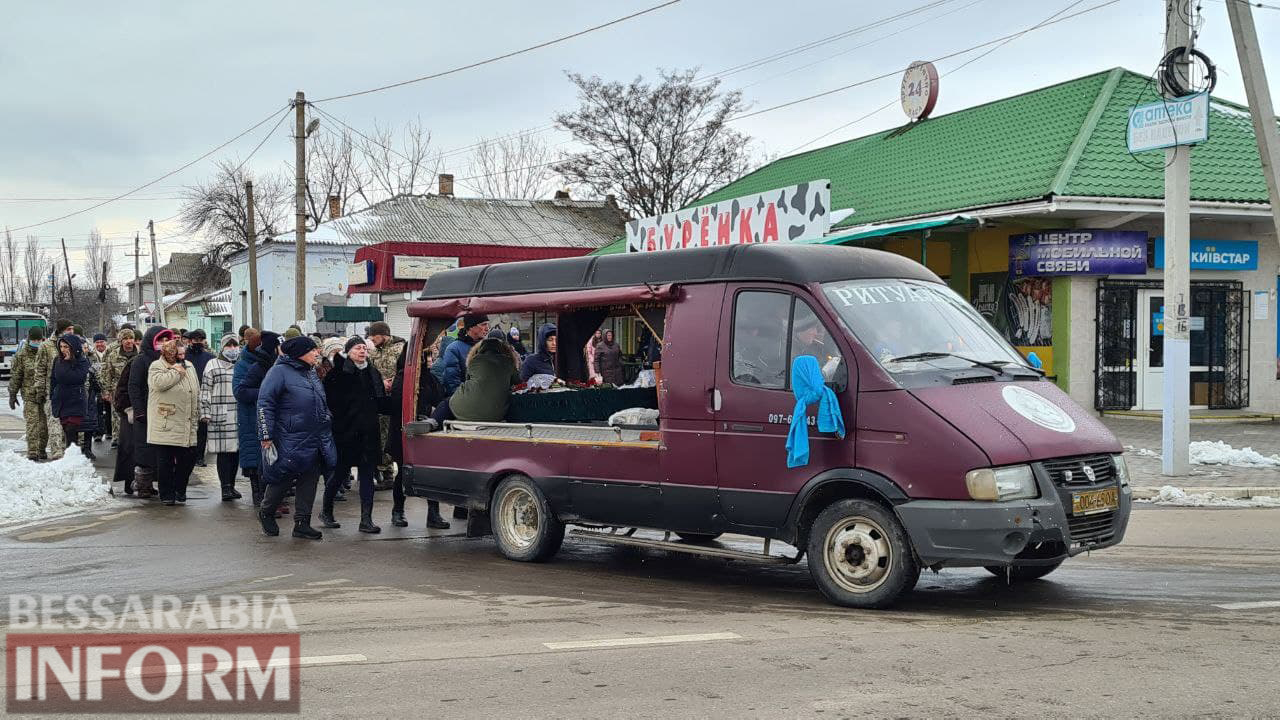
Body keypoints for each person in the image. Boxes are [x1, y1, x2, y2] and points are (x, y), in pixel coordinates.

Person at [255, 336, 334, 540]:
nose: (317, 353)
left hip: (314, 436)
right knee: (284, 476)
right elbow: (265, 404)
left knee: (310, 478)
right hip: (288, 437)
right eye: (312, 350)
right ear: (300, 353)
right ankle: (267, 511)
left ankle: (302, 523)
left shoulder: (310, 373)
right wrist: (266, 435)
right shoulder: (278, 372)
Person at [320, 338, 385, 533]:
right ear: (348, 351)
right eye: (358, 348)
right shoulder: (337, 373)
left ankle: (366, 519)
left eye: (365, 348)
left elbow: (380, 400)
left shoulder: (372, 372)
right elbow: (330, 402)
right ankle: (326, 511)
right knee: (339, 474)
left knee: (367, 475)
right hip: (346, 433)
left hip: (369, 432)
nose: (362, 351)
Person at [385, 345, 449, 529]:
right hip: (404, 432)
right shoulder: (404, 376)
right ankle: (398, 511)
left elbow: (441, 398)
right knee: (403, 474)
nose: (430, 360)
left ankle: (433, 513)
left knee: (430, 474)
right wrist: (427, 410)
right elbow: (399, 403)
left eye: (430, 356)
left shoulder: (430, 377)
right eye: (427, 356)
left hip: (426, 431)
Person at [426, 336, 522, 430]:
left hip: (463, 406)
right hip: (495, 414)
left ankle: (432, 423)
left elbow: (467, 379)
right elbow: (517, 382)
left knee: (446, 403)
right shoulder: (508, 362)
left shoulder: (474, 360)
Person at [147, 338, 200, 506]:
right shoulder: (157, 366)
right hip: (166, 421)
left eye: (184, 354)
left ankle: (180, 488)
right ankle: (167, 493)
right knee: (166, 461)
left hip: (187, 420)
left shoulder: (189, 366)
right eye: (179, 355)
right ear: (170, 354)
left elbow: (195, 389)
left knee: (188, 458)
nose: (182, 358)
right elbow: (158, 384)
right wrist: (177, 372)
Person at [233, 329, 279, 510]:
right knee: (255, 458)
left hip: (271, 417)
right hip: (251, 416)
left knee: (271, 459)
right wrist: (267, 393)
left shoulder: (274, 364)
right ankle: (259, 497)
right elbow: (240, 392)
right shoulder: (243, 365)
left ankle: (272, 498)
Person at [129, 326, 175, 499]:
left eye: (166, 340)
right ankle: (143, 485)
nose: (164, 344)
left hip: (167, 412)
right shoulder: (141, 361)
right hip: (147, 414)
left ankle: (164, 486)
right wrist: (139, 411)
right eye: (160, 340)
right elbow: (134, 387)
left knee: (164, 452)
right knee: (145, 452)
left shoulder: (171, 360)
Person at [200, 334, 242, 501]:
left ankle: (232, 485)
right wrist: (205, 411)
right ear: (222, 348)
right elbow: (205, 390)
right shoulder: (212, 365)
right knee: (224, 452)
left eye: (235, 346)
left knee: (235, 452)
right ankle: (225, 487)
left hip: (238, 413)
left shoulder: (240, 365)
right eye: (228, 346)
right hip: (220, 413)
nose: (232, 349)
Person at [366, 321, 407, 489]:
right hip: (379, 399)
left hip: (396, 398)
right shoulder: (373, 353)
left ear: (383, 335)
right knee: (380, 436)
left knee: (392, 435)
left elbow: (405, 371)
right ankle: (383, 471)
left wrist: (393, 382)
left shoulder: (400, 349)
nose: (370, 339)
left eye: (373, 335)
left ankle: (394, 473)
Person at [34, 319, 75, 460]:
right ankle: (57, 451)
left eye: (72, 329)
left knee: (68, 422)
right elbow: (40, 370)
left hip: (70, 391)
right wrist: (39, 390)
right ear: (61, 330)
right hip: (52, 391)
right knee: (54, 422)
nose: (71, 332)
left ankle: (67, 450)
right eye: (68, 329)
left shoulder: (74, 344)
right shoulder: (46, 346)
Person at [50, 333, 94, 460]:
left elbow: (75, 377)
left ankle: (73, 458)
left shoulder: (83, 361)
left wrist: (67, 363)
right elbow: (54, 378)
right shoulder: (57, 360)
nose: (63, 350)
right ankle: (70, 456)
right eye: (61, 347)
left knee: (71, 429)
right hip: (61, 399)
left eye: (66, 347)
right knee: (66, 429)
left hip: (76, 399)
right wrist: (52, 395)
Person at [7, 327, 48, 460]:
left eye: (38, 339)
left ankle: (42, 449)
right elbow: (16, 376)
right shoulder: (22, 355)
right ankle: (32, 451)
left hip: (45, 395)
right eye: (34, 339)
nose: (36, 342)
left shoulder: (47, 352)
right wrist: (12, 394)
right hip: (30, 395)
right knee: (32, 423)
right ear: (29, 339)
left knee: (44, 425)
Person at [101, 330, 138, 446]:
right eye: (125, 339)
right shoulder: (114, 355)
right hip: (118, 389)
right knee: (117, 414)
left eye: (131, 338)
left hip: (135, 387)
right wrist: (106, 391)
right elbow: (107, 373)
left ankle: (135, 438)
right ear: (121, 341)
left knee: (136, 413)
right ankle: (117, 438)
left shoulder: (139, 353)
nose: (128, 341)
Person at [183, 329, 214, 467]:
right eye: (195, 340)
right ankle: (187, 455)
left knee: (202, 429)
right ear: (190, 341)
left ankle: (199, 457)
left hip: (204, 395)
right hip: (186, 396)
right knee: (188, 427)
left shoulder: (209, 357)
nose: (198, 343)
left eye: (201, 340)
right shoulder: (184, 356)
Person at [440, 314, 489, 396]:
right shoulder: (453, 349)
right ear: (471, 327)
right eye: (483, 324)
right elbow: (452, 384)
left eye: (488, 324)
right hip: (466, 402)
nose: (487, 328)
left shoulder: (488, 346)